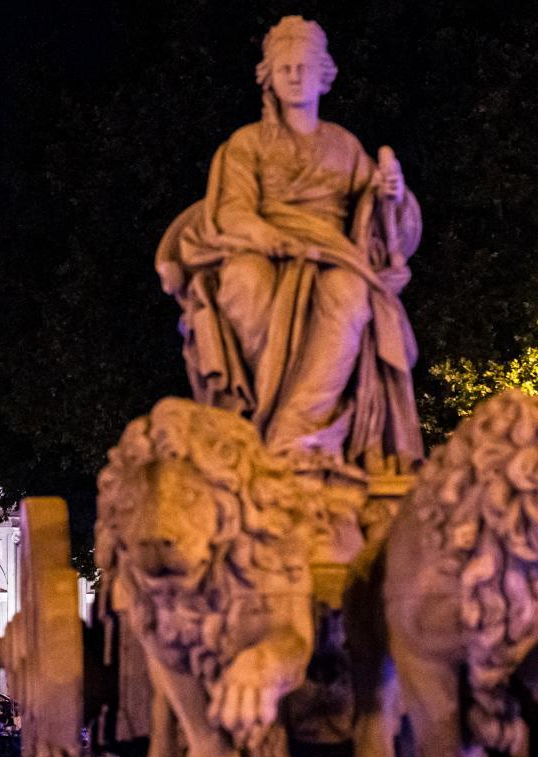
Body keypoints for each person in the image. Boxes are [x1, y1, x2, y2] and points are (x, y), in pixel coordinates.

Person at [155, 15, 422, 472]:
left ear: (324, 75)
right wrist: (275, 240)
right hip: (267, 249)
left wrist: (392, 195)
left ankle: (294, 433)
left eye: (304, 67)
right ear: (270, 78)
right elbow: (231, 211)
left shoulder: (345, 145)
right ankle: (271, 420)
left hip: (334, 255)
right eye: (286, 68)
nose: (295, 76)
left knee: (349, 293)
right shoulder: (246, 144)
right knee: (242, 280)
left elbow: (380, 223)